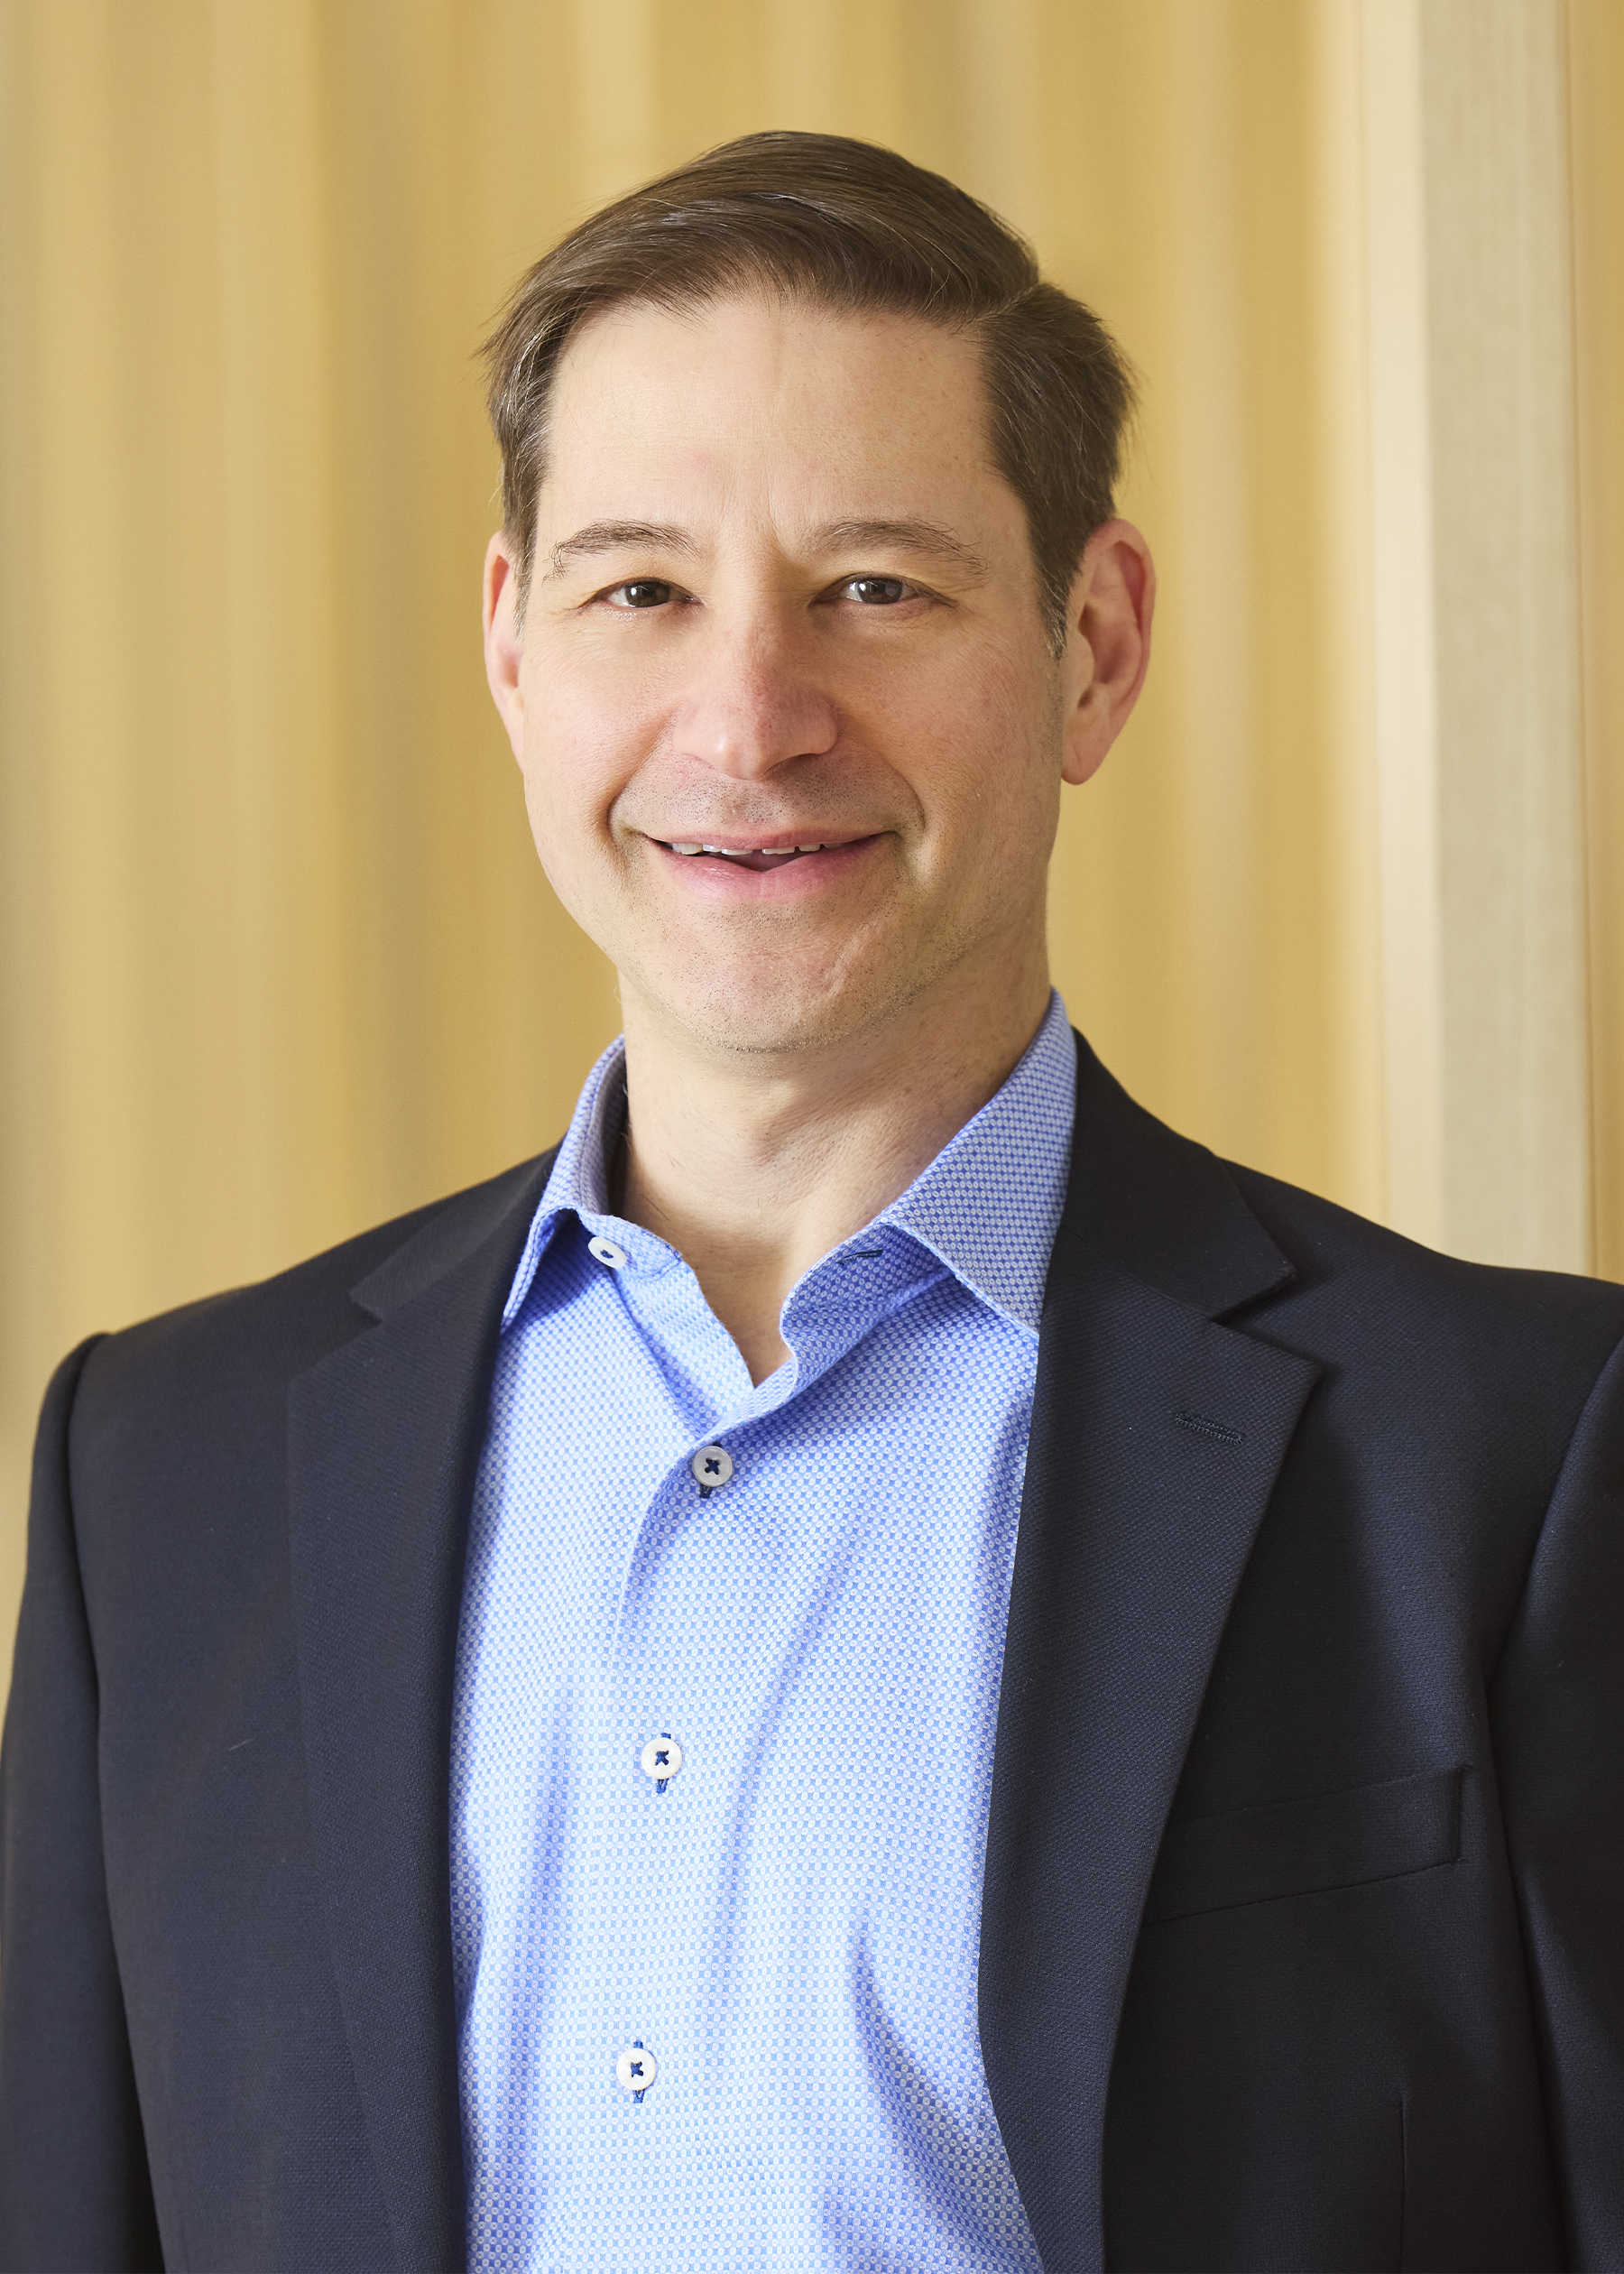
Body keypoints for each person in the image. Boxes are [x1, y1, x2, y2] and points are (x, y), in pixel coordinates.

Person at [2, 129, 1621, 2274]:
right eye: (640, 591)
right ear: (512, 648)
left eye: (876, 587)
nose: (749, 722)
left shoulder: (1511, 1457)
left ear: (1094, 644)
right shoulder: (158, 1475)